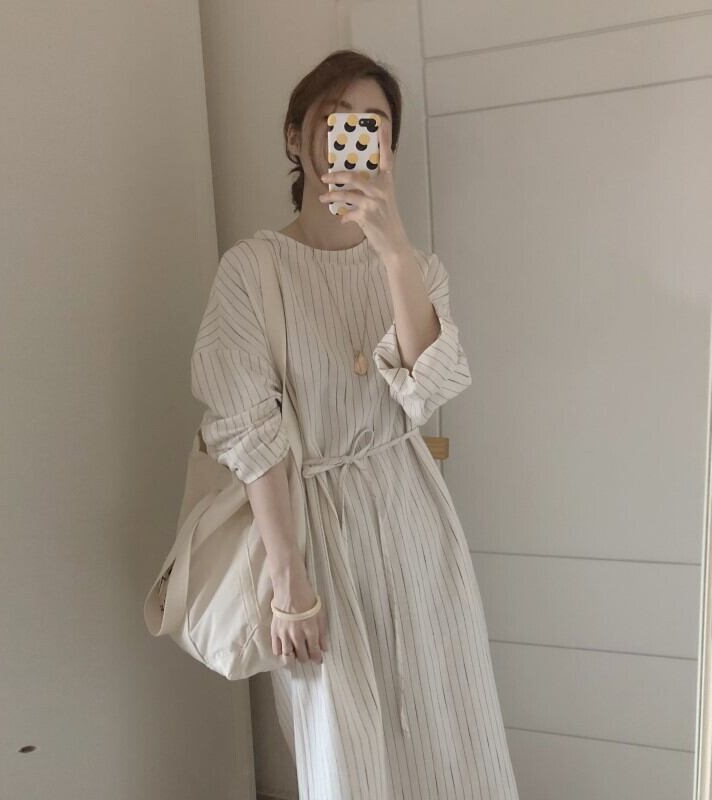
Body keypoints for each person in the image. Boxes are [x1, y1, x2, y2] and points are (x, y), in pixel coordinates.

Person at [190, 48, 519, 800]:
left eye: (373, 124)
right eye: (336, 118)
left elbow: (429, 388)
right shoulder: (252, 270)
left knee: (449, 728)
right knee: (346, 754)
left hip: (415, 522)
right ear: (295, 135)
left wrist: (393, 250)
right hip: (312, 535)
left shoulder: (416, 268)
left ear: (387, 148)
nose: (354, 134)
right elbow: (249, 436)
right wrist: (288, 582)